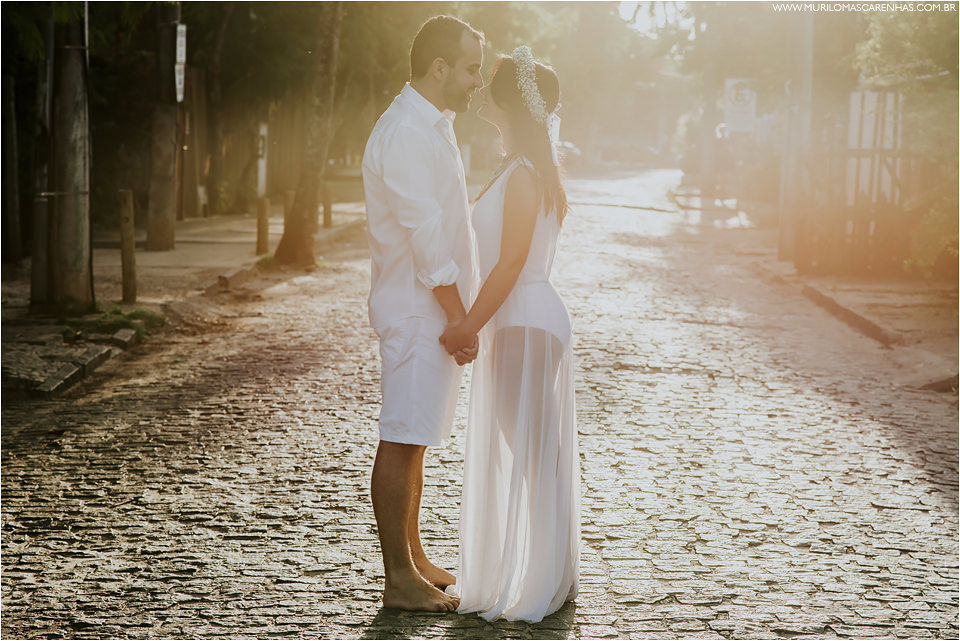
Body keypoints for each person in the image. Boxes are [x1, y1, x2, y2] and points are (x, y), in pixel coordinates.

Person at [439, 46, 579, 622]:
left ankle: (544, 580)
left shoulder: (524, 175)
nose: (481, 94)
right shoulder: (520, 167)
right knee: (529, 450)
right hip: (520, 318)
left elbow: (512, 261)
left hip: (524, 315)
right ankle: (549, 572)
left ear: (510, 104)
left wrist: (466, 326)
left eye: (489, 85)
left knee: (528, 452)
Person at [361, 15, 483, 612]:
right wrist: (459, 315)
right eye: (470, 68)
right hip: (417, 309)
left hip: (428, 307)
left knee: (418, 437)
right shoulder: (407, 131)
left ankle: (413, 556)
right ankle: (398, 579)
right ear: (439, 67)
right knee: (402, 435)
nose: (476, 81)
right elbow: (426, 234)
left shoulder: (432, 125)